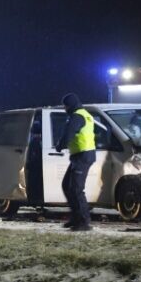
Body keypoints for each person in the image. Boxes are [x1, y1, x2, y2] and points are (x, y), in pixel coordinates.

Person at [54, 93, 95, 231]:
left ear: (70, 105)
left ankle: (84, 222)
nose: (64, 108)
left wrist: (60, 145)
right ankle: (76, 217)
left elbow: (68, 133)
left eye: (65, 106)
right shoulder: (84, 114)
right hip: (81, 155)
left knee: (76, 189)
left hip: (83, 156)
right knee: (67, 185)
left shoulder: (77, 116)